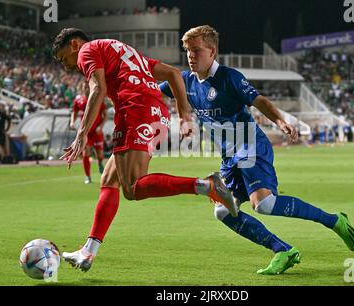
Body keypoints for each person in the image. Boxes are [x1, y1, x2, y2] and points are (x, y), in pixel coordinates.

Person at [160, 25, 354, 275]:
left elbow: (260, 100)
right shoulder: (184, 80)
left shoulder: (229, 77)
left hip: (250, 144)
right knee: (223, 211)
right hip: (229, 157)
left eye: (196, 50)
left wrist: (281, 121)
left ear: (212, 51)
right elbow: (153, 91)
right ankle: (282, 250)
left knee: (263, 204)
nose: (190, 56)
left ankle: (334, 221)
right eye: (188, 50)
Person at [52, 28, 237, 272]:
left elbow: (97, 89)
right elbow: (172, 73)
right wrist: (183, 113)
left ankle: (206, 185)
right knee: (109, 180)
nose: (67, 66)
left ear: (74, 44)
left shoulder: (87, 50)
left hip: (135, 110)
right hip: (150, 110)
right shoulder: (121, 50)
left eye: (65, 59)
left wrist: (82, 133)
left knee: (132, 188)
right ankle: (88, 251)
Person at [70, 81, 107, 184]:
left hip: (97, 132)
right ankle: (88, 176)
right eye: (84, 86)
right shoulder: (78, 100)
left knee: (100, 154)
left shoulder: (97, 97)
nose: (86, 88)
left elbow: (105, 114)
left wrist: (101, 126)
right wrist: (72, 122)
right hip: (86, 132)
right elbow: (74, 112)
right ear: (82, 87)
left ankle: (100, 163)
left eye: (87, 86)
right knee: (86, 152)